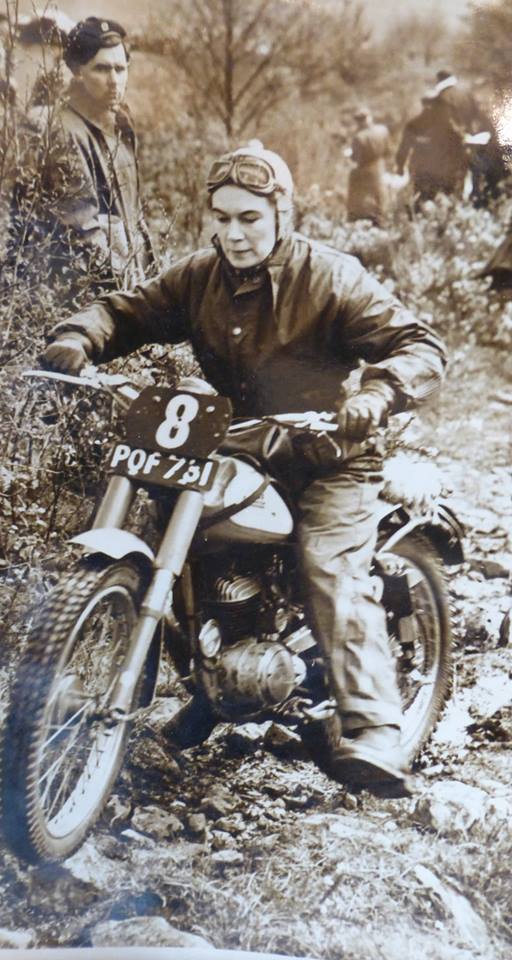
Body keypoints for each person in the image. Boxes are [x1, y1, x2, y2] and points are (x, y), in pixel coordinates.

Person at [43, 141, 447, 793]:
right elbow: (128, 310)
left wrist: (376, 394)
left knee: (328, 565)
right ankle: (211, 686)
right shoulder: (199, 277)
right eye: (223, 218)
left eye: (249, 218)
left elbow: (418, 344)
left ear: (281, 213)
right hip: (241, 439)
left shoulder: (330, 278)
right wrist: (78, 337)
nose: (233, 233)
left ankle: (374, 724)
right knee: (180, 520)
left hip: (330, 454)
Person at [10, 16, 153, 308]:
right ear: (77, 71)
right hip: (81, 297)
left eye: (120, 68)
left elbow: (135, 218)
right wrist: (132, 298)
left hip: (125, 284)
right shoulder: (61, 130)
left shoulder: (121, 125)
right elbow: (82, 231)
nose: (114, 80)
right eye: (101, 69)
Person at [434, 69, 508, 207]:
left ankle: (463, 206)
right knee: (478, 174)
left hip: (457, 144)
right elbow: (479, 116)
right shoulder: (466, 94)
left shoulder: (441, 98)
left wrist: (463, 137)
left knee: (458, 178)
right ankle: (482, 204)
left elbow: (447, 123)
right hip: (480, 141)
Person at [395, 92, 467, 206]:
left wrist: (400, 167)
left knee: (421, 200)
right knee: (444, 201)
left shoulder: (414, 124)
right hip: (441, 170)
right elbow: (459, 142)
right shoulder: (446, 123)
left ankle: (421, 219)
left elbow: (403, 149)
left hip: (421, 169)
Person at [346, 107, 391, 226]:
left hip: (365, 170)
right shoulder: (383, 130)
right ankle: (382, 219)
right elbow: (388, 151)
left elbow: (356, 158)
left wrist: (350, 155)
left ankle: (358, 218)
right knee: (380, 195)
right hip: (380, 167)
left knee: (361, 196)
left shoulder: (359, 137)